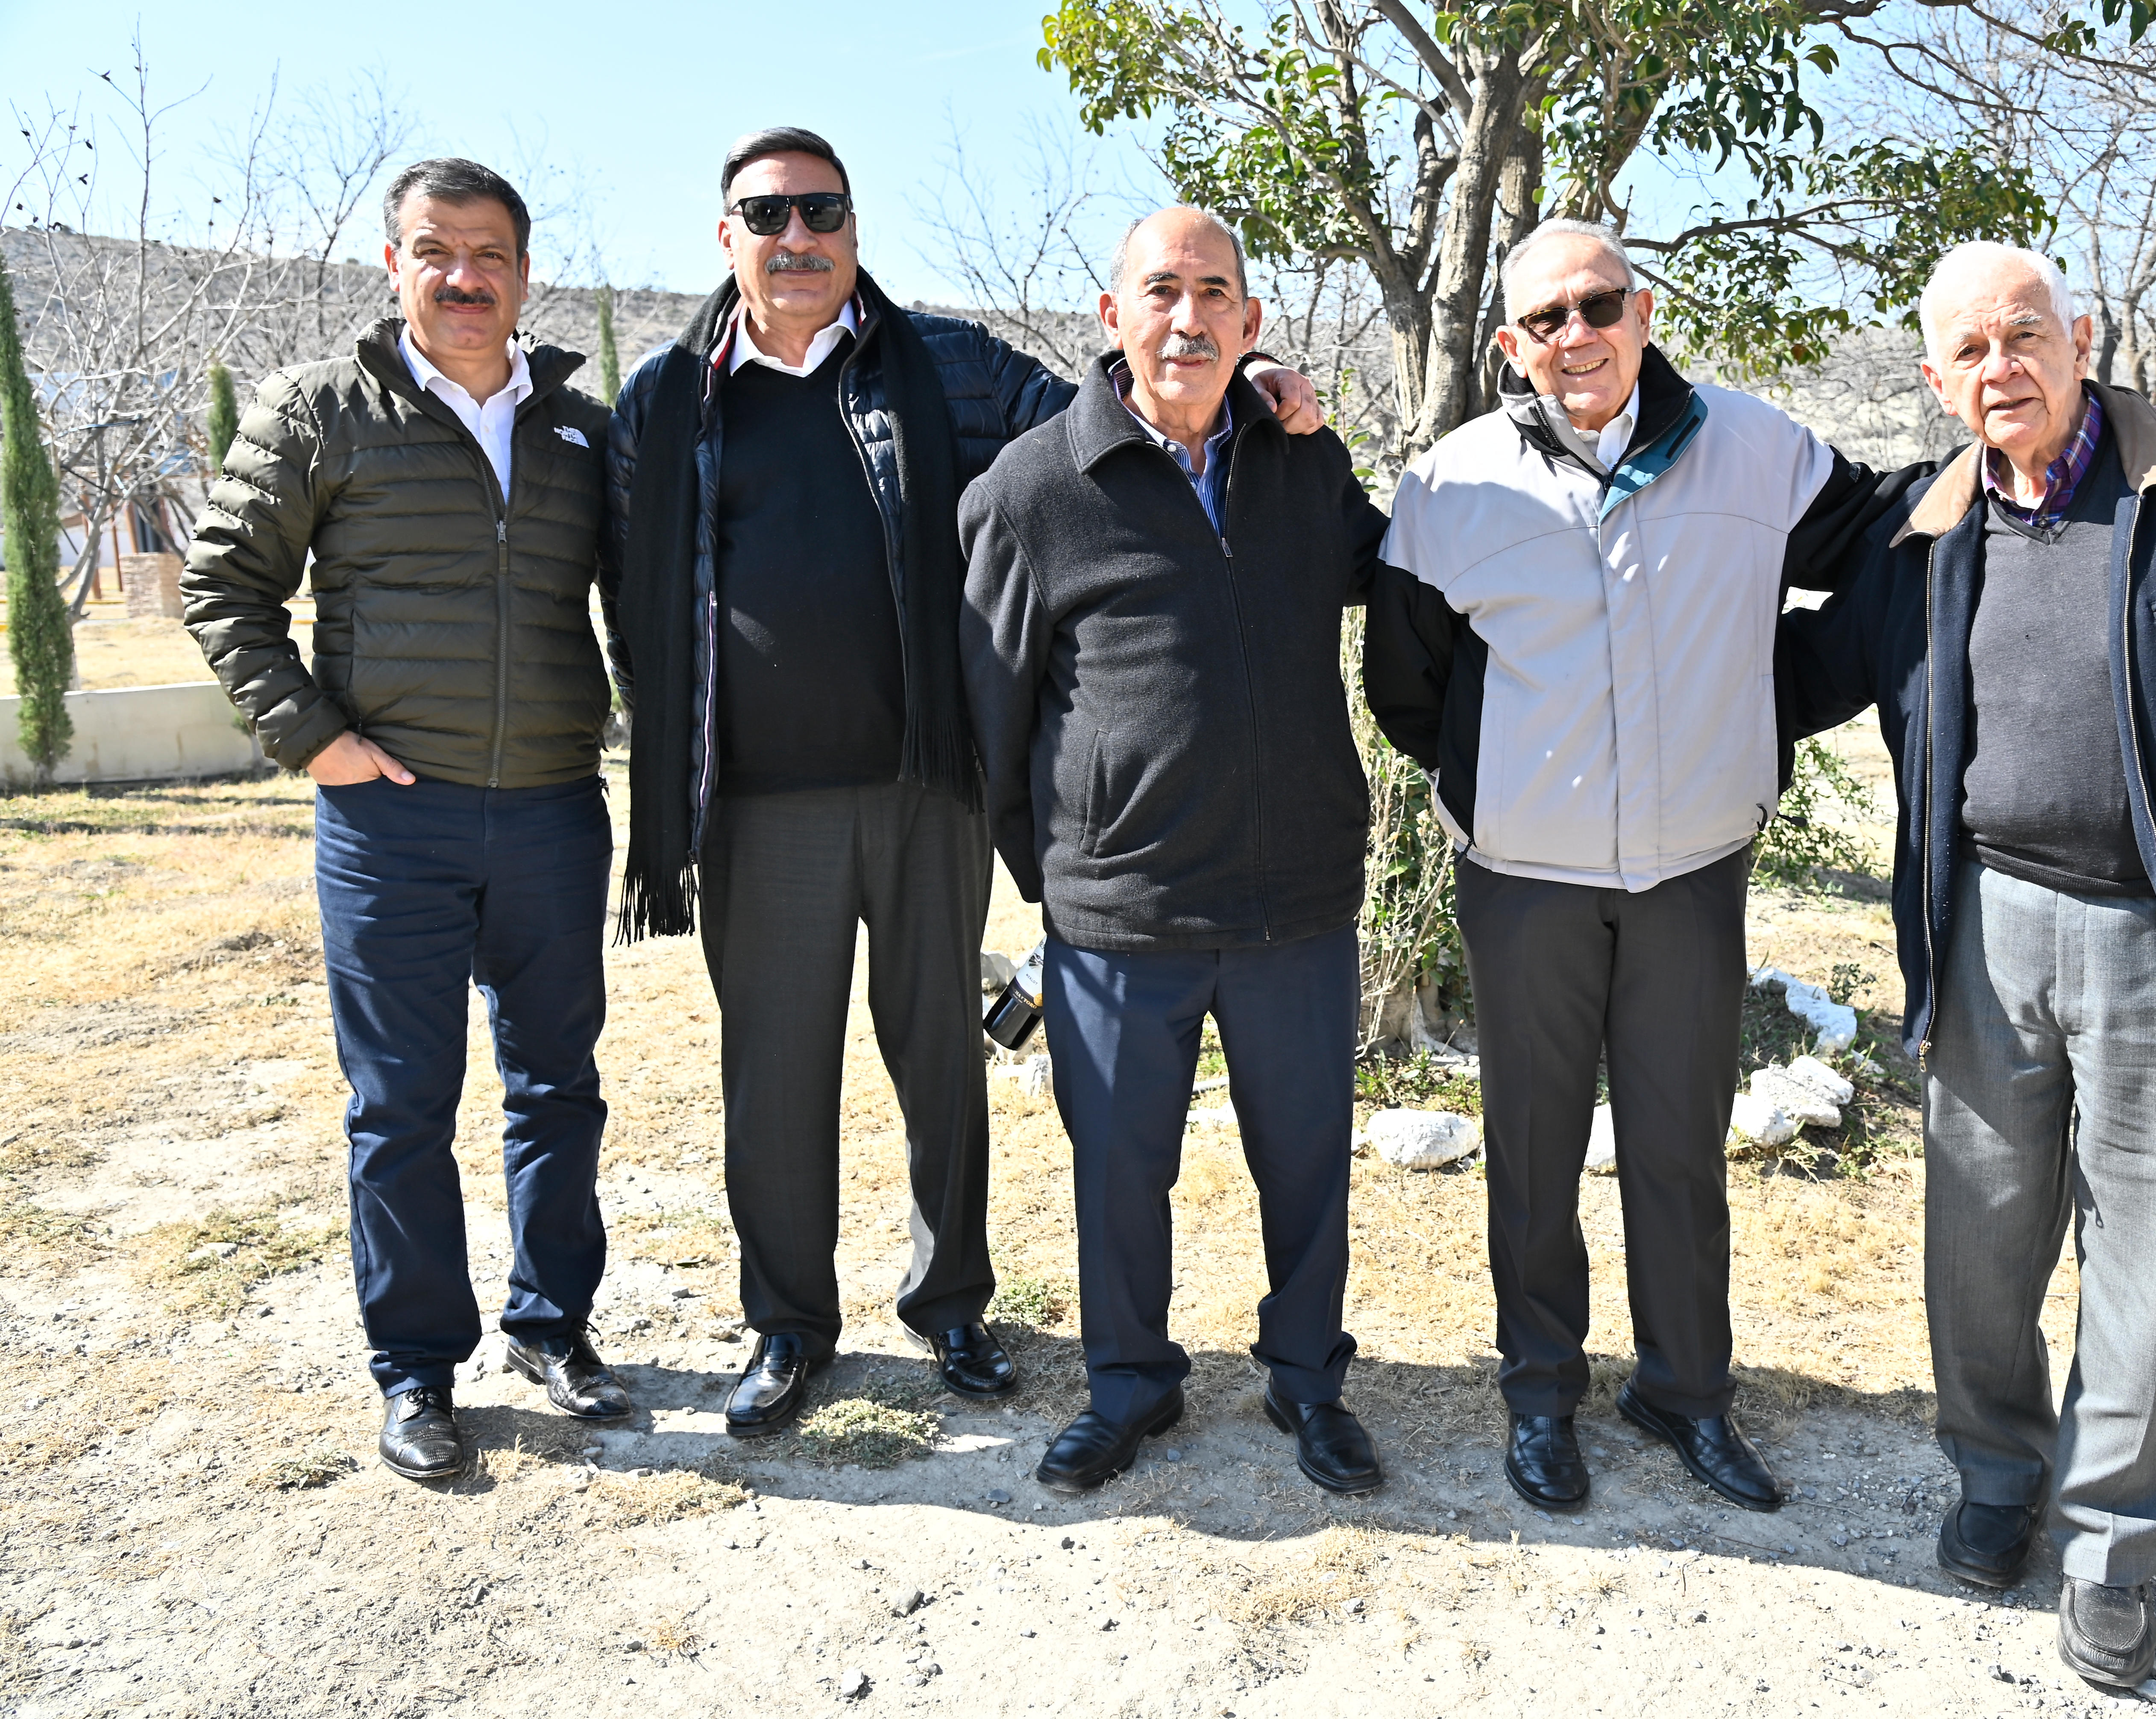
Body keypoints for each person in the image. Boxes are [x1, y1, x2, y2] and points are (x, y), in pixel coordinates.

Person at [605, 132, 1326, 1437]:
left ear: (853, 227)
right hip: (757, 804)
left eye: (822, 210)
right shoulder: (666, 397)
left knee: (942, 1057)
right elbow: (628, 580)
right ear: (727, 237)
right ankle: (789, 1324)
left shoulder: (948, 366)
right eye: (767, 215)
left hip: (926, 783)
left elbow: (1117, 411)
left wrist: (1247, 370)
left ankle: (951, 1305)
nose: (797, 237)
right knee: (774, 1075)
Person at [1776, 241, 2156, 1691]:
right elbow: (1791, 680)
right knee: (1980, 1236)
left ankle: (2113, 1547)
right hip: (1986, 930)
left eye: (2027, 335)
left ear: (2084, 339)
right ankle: (1998, 1480)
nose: (2003, 367)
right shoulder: (1923, 533)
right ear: (1936, 381)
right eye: (1970, 350)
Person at [1363, 218, 1921, 1517]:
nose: (1578, 335)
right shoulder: (1451, 486)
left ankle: (1686, 1393)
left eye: (1599, 305)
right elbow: (1407, 685)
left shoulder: (1757, 450)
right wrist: (1496, 792)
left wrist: (1771, 704)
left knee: (1678, 1150)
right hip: (1525, 882)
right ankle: (1541, 1395)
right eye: (1546, 319)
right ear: (1511, 344)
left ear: (1645, 310)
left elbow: (1886, 546)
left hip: (1691, 873)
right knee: (1534, 1154)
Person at [182, 158, 628, 1481]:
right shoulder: (322, 410)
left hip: (552, 811)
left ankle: (553, 1328)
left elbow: (654, 598)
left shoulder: (580, 431)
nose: (464, 276)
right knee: (400, 1108)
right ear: (396, 266)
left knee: (560, 1086)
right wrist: (317, 742)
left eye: (489, 253)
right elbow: (224, 586)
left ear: (525, 273)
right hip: (392, 826)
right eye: (436, 251)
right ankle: (418, 1372)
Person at [960, 207, 1389, 1497]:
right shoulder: (1033, 490)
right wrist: (1067, 874)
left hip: (1296, 905)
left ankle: (1308, 1380)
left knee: (1307, 1168)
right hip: (1118, 916)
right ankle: (1128, 1385)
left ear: (1251, 324)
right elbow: (994, 721)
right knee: (1119, 1174)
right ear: (1114, 316)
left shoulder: (1305, 463)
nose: (1188, 319)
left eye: (1215, 296)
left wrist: (1291, 406)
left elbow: (1388, 583)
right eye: (1161, 291)